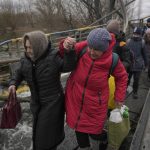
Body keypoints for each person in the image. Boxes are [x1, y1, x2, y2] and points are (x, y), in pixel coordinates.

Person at [59, 28, 128, 150]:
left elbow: (122, 77)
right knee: (79, 128)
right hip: (76, 98)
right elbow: (64, 53)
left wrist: (119, 97)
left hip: (95, 103)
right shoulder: (84, 47)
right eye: (90, 47)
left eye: (96, 49)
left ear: (104, 49)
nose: (91, 51)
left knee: (94, 133)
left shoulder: (112, 60)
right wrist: (65, 45)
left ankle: (105, 138)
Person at [8, 31, 76, 150]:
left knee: (43, 137)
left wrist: (69, 52)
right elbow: (18, 73)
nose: (28, 50)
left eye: (31, 47)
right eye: (26, 47)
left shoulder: (53, 56)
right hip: (36, 103)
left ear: (39, 46)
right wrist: (13, 84)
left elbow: (68, 66)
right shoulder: (25, 59)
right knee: (41, 133)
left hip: (53, 102)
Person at [127, 27, 147, 99]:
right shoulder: (129, 41)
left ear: (140, 34)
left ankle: (135, 92)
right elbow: (126, 52)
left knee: (136, 79)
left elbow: (144, 54)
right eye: (134, 33)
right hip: (129, 64)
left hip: (138, 64)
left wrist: (146, 64)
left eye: (137, 34)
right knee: (127, 78)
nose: (135, 35)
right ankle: (124, 90)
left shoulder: (142, 42)